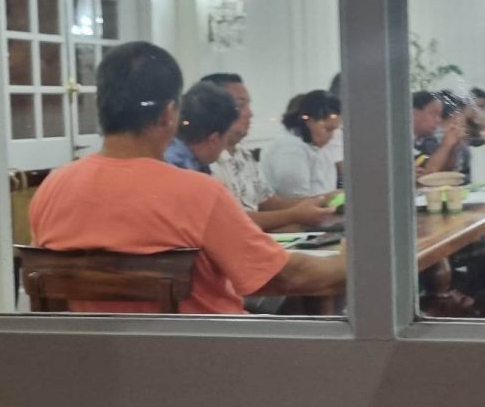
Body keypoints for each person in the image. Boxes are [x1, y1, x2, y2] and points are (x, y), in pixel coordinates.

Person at [28, 42, 343, 314]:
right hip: (206, 357)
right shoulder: (197, 193)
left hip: (92, 359)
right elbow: (284, 277)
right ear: (170, 114)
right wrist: (349, 260)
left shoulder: (52, 189)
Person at [200, 73, 336, 232]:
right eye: (240, 105)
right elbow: (230, 221)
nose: (250, 113)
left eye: (248, 105)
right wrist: (294, 215)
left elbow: (271, 203)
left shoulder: (243, 154)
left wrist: (324, 200)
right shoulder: (204, 159)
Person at [260, 90, 342, 198]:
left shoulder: (320, 151)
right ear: (309, 122)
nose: (331, 137)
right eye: (328, 129)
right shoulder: (289, 149)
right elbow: (297, 201)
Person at [162, 81, 238, 174]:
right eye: (226, 137)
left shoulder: (160, 151)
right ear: (213, 140)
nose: (224, 147)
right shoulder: (184, 172)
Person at [412, 90, 465, 177]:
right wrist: (446, 145)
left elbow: (444, 170)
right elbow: (428, 176)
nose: (438, 120)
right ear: (415, 114)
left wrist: (453, 146)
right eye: (433, 114)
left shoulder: (423, 139)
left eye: (439, 115)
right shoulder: (400, 141)